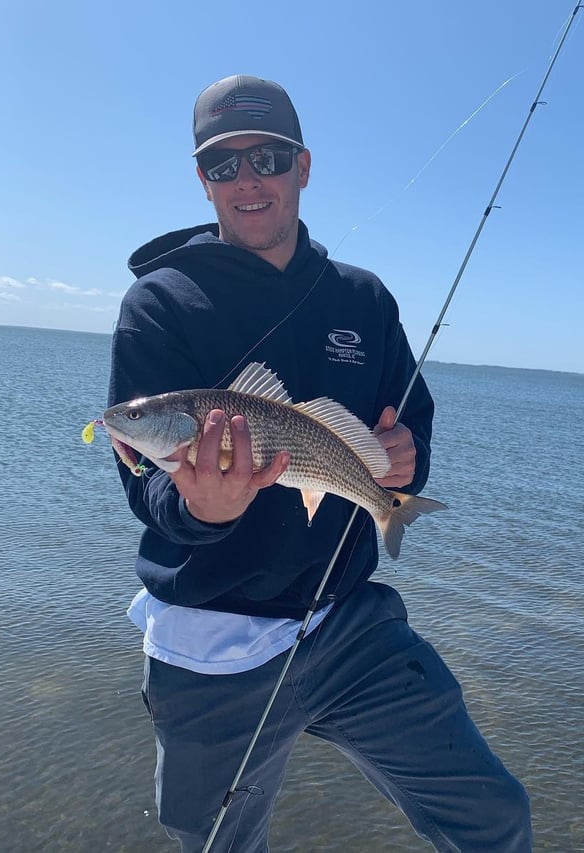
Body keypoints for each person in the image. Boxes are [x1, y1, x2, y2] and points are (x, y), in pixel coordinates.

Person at [108, 75, 532, 852]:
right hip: (209, 644)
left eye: (266, 156)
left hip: (346, 623)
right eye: (224, 165)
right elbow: (147, 487)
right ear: (202, 181)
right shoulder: (159, 304)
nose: (248, 180)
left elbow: (414, 426)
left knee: (494, 814)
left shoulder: (365, 300)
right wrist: (202, 507)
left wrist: (407, 461)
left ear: (303, 166)